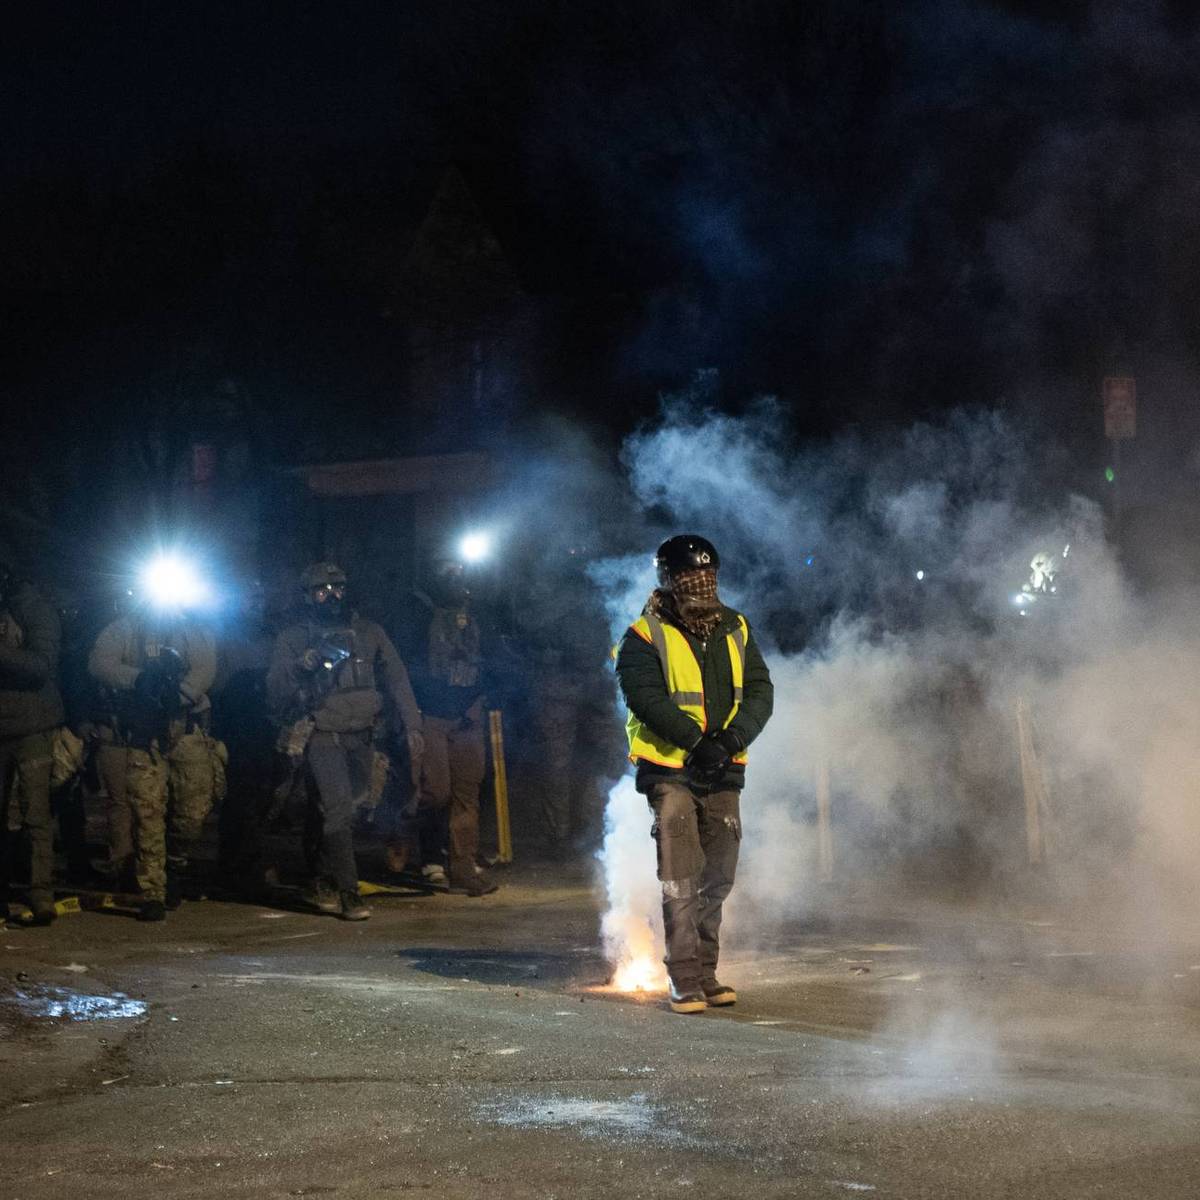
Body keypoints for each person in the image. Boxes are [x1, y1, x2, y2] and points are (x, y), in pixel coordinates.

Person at [614, 534, 773, 1014]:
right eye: (688, 577)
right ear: (668, 580)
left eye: (708, 575)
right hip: (670, 771)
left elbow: (761, 690)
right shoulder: (643, 635)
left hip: (723, 770)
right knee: (681, 877)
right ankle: (684, 979)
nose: (700, 584)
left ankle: (707, 973)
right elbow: (645, 698)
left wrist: (728, 742)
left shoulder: (737, 627)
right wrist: (695, 743)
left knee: (718, 877)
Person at [266, 562, 424, 920]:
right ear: (307, 596)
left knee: (349, 807)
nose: (331, 597)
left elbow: (397, 676)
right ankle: (348, 891)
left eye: (337, 588)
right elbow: (275, 690)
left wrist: (413, 723)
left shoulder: (368, 632)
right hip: (323, 733)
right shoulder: (294, 637)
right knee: (337, 808)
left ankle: (320, 874)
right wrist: (304, 665)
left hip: (362, 733)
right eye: (322, 590)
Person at [88, 581, 221, 921]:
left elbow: (205, 669)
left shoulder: (192, 631)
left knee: (192, 812)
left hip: (185, 731)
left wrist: (175, 694)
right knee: (147, 812)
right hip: (143, 734)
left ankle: (175, 866)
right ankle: (153, 891)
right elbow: (100, 663)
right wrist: (139, 680)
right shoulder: (125, 629)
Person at [388, 558, 497, 896]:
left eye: (460, 570)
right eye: (448, 571)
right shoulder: (416, 613)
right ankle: (402, 829)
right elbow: (402, 667)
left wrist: (485, 693)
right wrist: (411, 715)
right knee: (436, 792)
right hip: (431, 714)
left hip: (468, 714)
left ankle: (462, 868)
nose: (456, 578)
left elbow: (496, 657)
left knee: (467, 795)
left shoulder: (478, 613)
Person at [0, 561, 66, 925]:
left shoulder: (35, 608)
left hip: (31, 726)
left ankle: (40, 893)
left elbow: (40, 665)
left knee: (35, 815)